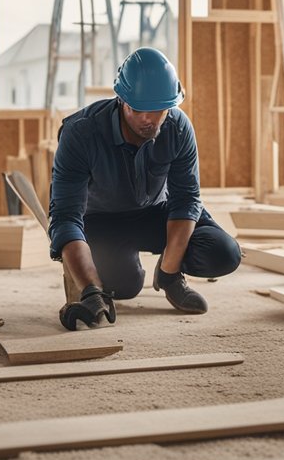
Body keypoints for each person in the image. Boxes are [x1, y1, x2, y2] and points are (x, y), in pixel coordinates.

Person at [48, 47, 241, 330]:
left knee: (223, 253)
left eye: (158, 109)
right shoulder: (81, 133)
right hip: (102, 221)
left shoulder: (178, 128)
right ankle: (107, 281)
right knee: (124, 285)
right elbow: (66, 217)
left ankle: (168, 276)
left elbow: (186, 200)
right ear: (122, 100)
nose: (148, 118)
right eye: (138, 109)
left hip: (156, 212)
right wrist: (90, 291)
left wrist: (170, 272)